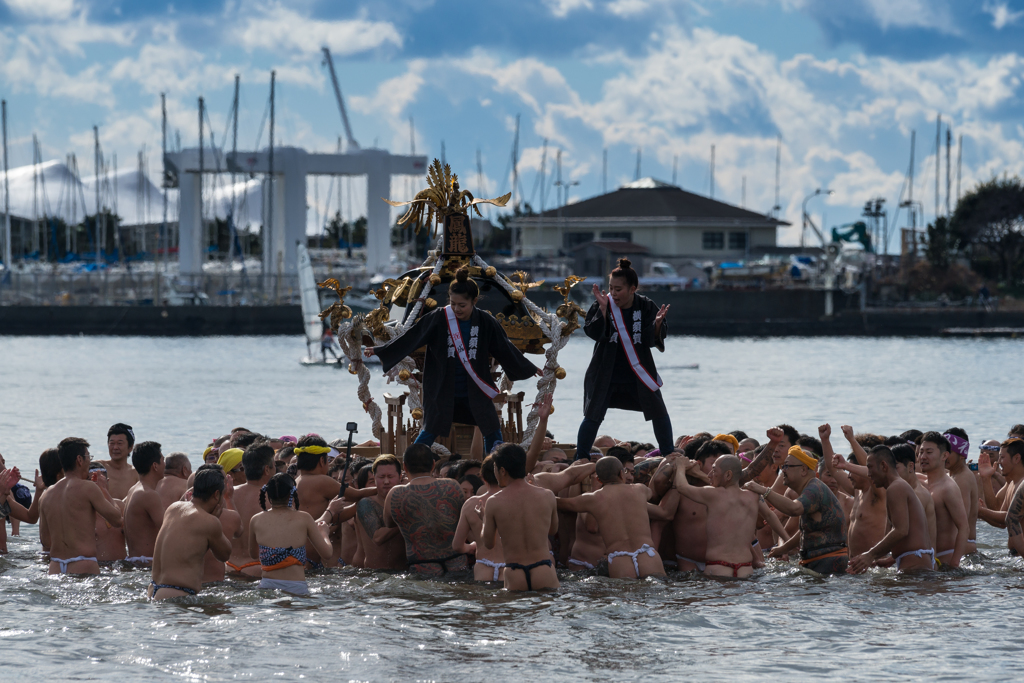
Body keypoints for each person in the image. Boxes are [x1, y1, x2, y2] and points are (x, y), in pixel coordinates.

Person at [366, 266, 540, 455]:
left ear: (474, 301)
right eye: (453, 303)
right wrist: (380, 350)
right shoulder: (438, 317)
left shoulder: (485, 321)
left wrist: (530, 368)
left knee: (491, 427)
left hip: (474, 387)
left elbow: (504, 347)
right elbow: (411, 337)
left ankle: (495, 464)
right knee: (430, 429)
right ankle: (413, 460)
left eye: (462, 305)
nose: (456, 308)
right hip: (442, 386)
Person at [576, 258, 673, 460]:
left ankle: (668, 453)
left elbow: (650, 339)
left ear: (632, 289)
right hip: (606, 370)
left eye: (618, 289)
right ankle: (581, 456)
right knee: (593, 414)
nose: (613, 293)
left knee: (659, 410)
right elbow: (593, 332)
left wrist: (656, 325)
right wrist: (602, 311)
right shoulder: (603, 303)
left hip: (638, 370)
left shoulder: (645, 306)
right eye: (611, 288)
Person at [673, 454, 786, 577]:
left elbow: (681, 487)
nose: (709, 474)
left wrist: (680, 466)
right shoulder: (754, 496)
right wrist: (787, 542)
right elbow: (770, 517)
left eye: (714, 470)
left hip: (718, 569)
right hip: (745, 570)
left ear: (728, 475)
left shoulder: (712, 494)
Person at [557, 456, 667, 579]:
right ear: (621, 473)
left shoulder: (592, 499)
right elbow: (652, 491)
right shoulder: (640, 490)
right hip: (648, 555)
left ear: (598, 479)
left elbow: (562, 503)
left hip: (619, 559)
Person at [744, 446, 849, 575]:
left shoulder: (814, 488)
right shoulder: (810, 488)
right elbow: (806, 531)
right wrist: (783, 548)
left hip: (828, 564)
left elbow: (794, 508)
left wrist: (764, 491)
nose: (783, 470)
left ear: (803, 470)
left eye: (787, 466)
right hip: (819, 562)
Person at [478, 444, 560, 591]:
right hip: (543, 570)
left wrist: (484, 520)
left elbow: (489, 543)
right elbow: (553, 530)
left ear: (502, 471)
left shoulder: (494, 502)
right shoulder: (547, 495)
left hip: (515, 574)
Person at [39, 437, 123, 575]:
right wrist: (105, 491)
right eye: (88, 457)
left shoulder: (46, 494)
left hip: (55, 567)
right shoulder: (88, 488)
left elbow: (45, 541)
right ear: (79, 459)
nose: (89, 461)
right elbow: (117, 520)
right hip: (83, 564)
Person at [383, 444, 468, 576]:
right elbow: (465, 520)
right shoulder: (452, 486)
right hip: (457, 564)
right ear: (433, 464)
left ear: (404, 466)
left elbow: (389, 523)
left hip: (422, 567)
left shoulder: (396, 494)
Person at [148, 466, 232, 599]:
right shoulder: (210, 522)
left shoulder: (173, 508)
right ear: (216, 495)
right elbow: (225, 554)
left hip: (153, 590)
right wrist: (215, 519)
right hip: (178, 595)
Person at [848, 446, 933, 573]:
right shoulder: (896, 487)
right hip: (916, 564)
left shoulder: (896, 487)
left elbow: (901, 531)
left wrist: (869, 555)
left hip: (916, 569)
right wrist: (891, 558)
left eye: (870, 468)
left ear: (883, 466)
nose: (869, 474)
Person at [248, 473, 333, 596]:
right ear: (292, 494)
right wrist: (324, 532)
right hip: (296, 588)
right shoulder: (304, 518)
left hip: (267, 588)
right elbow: (327, 554)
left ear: (267, 494)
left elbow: (253, 554)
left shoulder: (256, 520)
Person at [918, 432, 969, 568]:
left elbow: (964, 527)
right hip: (928, 558)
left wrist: (954, 563)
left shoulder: (948, 488)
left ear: (944, 456)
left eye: (929, 452)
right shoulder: (921, 481)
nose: (923, 457)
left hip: (945, 561)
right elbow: (888, 473)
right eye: (921, 452)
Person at [227, 443, 277, 577]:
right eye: (274, 466)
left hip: (228, 566)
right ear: (267, 469)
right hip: (257, 567)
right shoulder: (274, 498)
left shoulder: (227, 495)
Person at [292, 435, 342, 570]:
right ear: (321, 461)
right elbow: (356, 495)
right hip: (314, 558)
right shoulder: (322, 481)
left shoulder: (296, 481)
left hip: (298, 557)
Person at [453, 455, 506, 581]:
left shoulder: (471, 504)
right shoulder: (515, 501)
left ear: (482, 477)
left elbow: (457, 546)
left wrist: (471, 546)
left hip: (484, 567)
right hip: (509, 568)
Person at [354, 455, 407, 570]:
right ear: (374, 477)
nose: (386, 481)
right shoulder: (365, 503)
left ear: (400, 477)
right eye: (381, 477)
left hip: (404, 574)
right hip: (376, 576)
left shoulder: (407, 501)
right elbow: (377, 538)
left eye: (390, 476)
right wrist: (406, 518)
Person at [123, 441, 166, 566]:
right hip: (146, 565)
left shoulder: (134, 489)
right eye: (162, 460)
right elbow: (168, 530)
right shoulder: (149, 494)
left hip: (134, 562)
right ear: (155, 466)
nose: (165, 464)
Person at [891, 443, 936, 551]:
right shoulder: (904, 492)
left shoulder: (918, 495)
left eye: (895, 467)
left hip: (922, 561)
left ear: (911, 466)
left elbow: (908, 536)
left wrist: (872, 554)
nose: (891, 473)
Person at [977, 438, 1024, 539]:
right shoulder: (1011, 483)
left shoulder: (1023, 485)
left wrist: (981, 511)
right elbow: (997, 512)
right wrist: (986, 478)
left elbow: (1009, 517)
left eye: (1002, 457)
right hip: (1015, 552)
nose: (998, 462)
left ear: (1016, 458)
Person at [943, 428, 980, 554]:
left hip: (964, 548)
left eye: (949, 452)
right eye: (943, 452)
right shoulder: (952, 475)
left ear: (961, 453)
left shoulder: (963, 478)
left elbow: (961, 520)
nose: (945, 456)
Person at [98, 423, 139, 499]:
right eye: (112, 443)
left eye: (120, 443)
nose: (115, 447)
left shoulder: (136, 473)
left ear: (130, 447)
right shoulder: (98, 468)